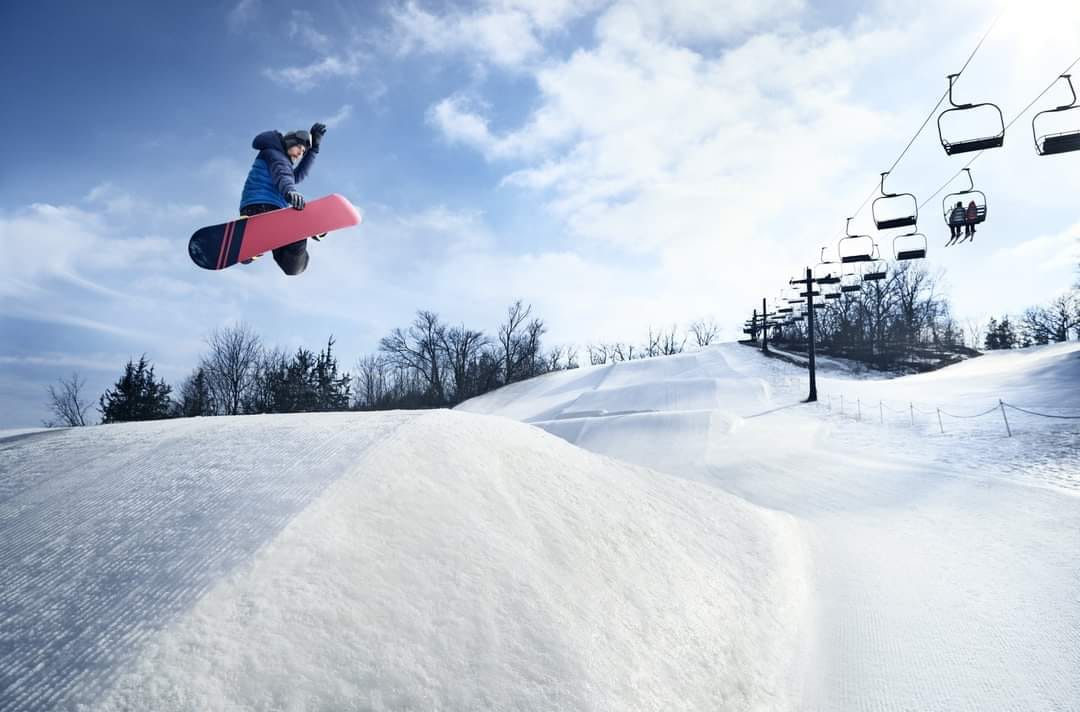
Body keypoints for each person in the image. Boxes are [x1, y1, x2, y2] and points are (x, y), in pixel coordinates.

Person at [239, 123, 327, 274]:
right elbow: (283, 175)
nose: (301, 153)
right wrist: (289, 192)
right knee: (297, 212)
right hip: (267, 208)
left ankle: (252, 245)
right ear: (291, 141)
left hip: (257, 211)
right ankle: (303, 226)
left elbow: (297, 175)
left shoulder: (275, 156)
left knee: (292, 267)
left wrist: (313, 151)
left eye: (303, 152)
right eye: (300, 147)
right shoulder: (276, 155)